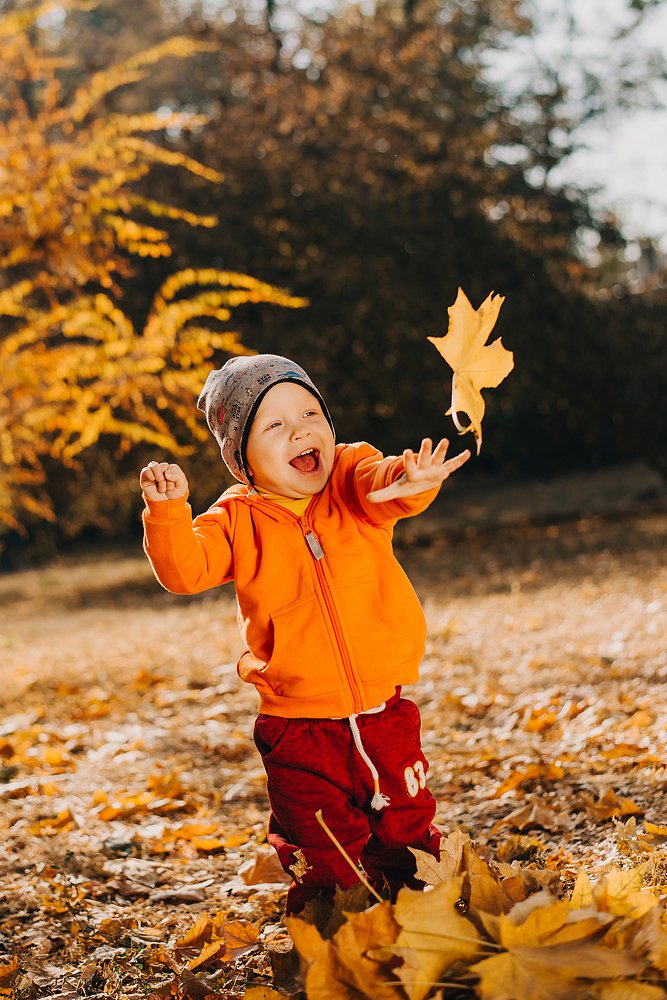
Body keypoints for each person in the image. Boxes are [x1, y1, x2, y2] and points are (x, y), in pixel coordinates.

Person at [140, 354, 470, 914]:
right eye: (274, 425)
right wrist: (169, 512)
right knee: (321, 844)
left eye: (310, 412)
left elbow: (382, 485)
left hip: (382, 711)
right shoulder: (236, 519)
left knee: (406, 820)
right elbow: (185, 571)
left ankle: (426, 907)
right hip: (297, 726)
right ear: (241, 458)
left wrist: (409, 479)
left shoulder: (348, 475)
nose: (301, 430)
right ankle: (331, 924)